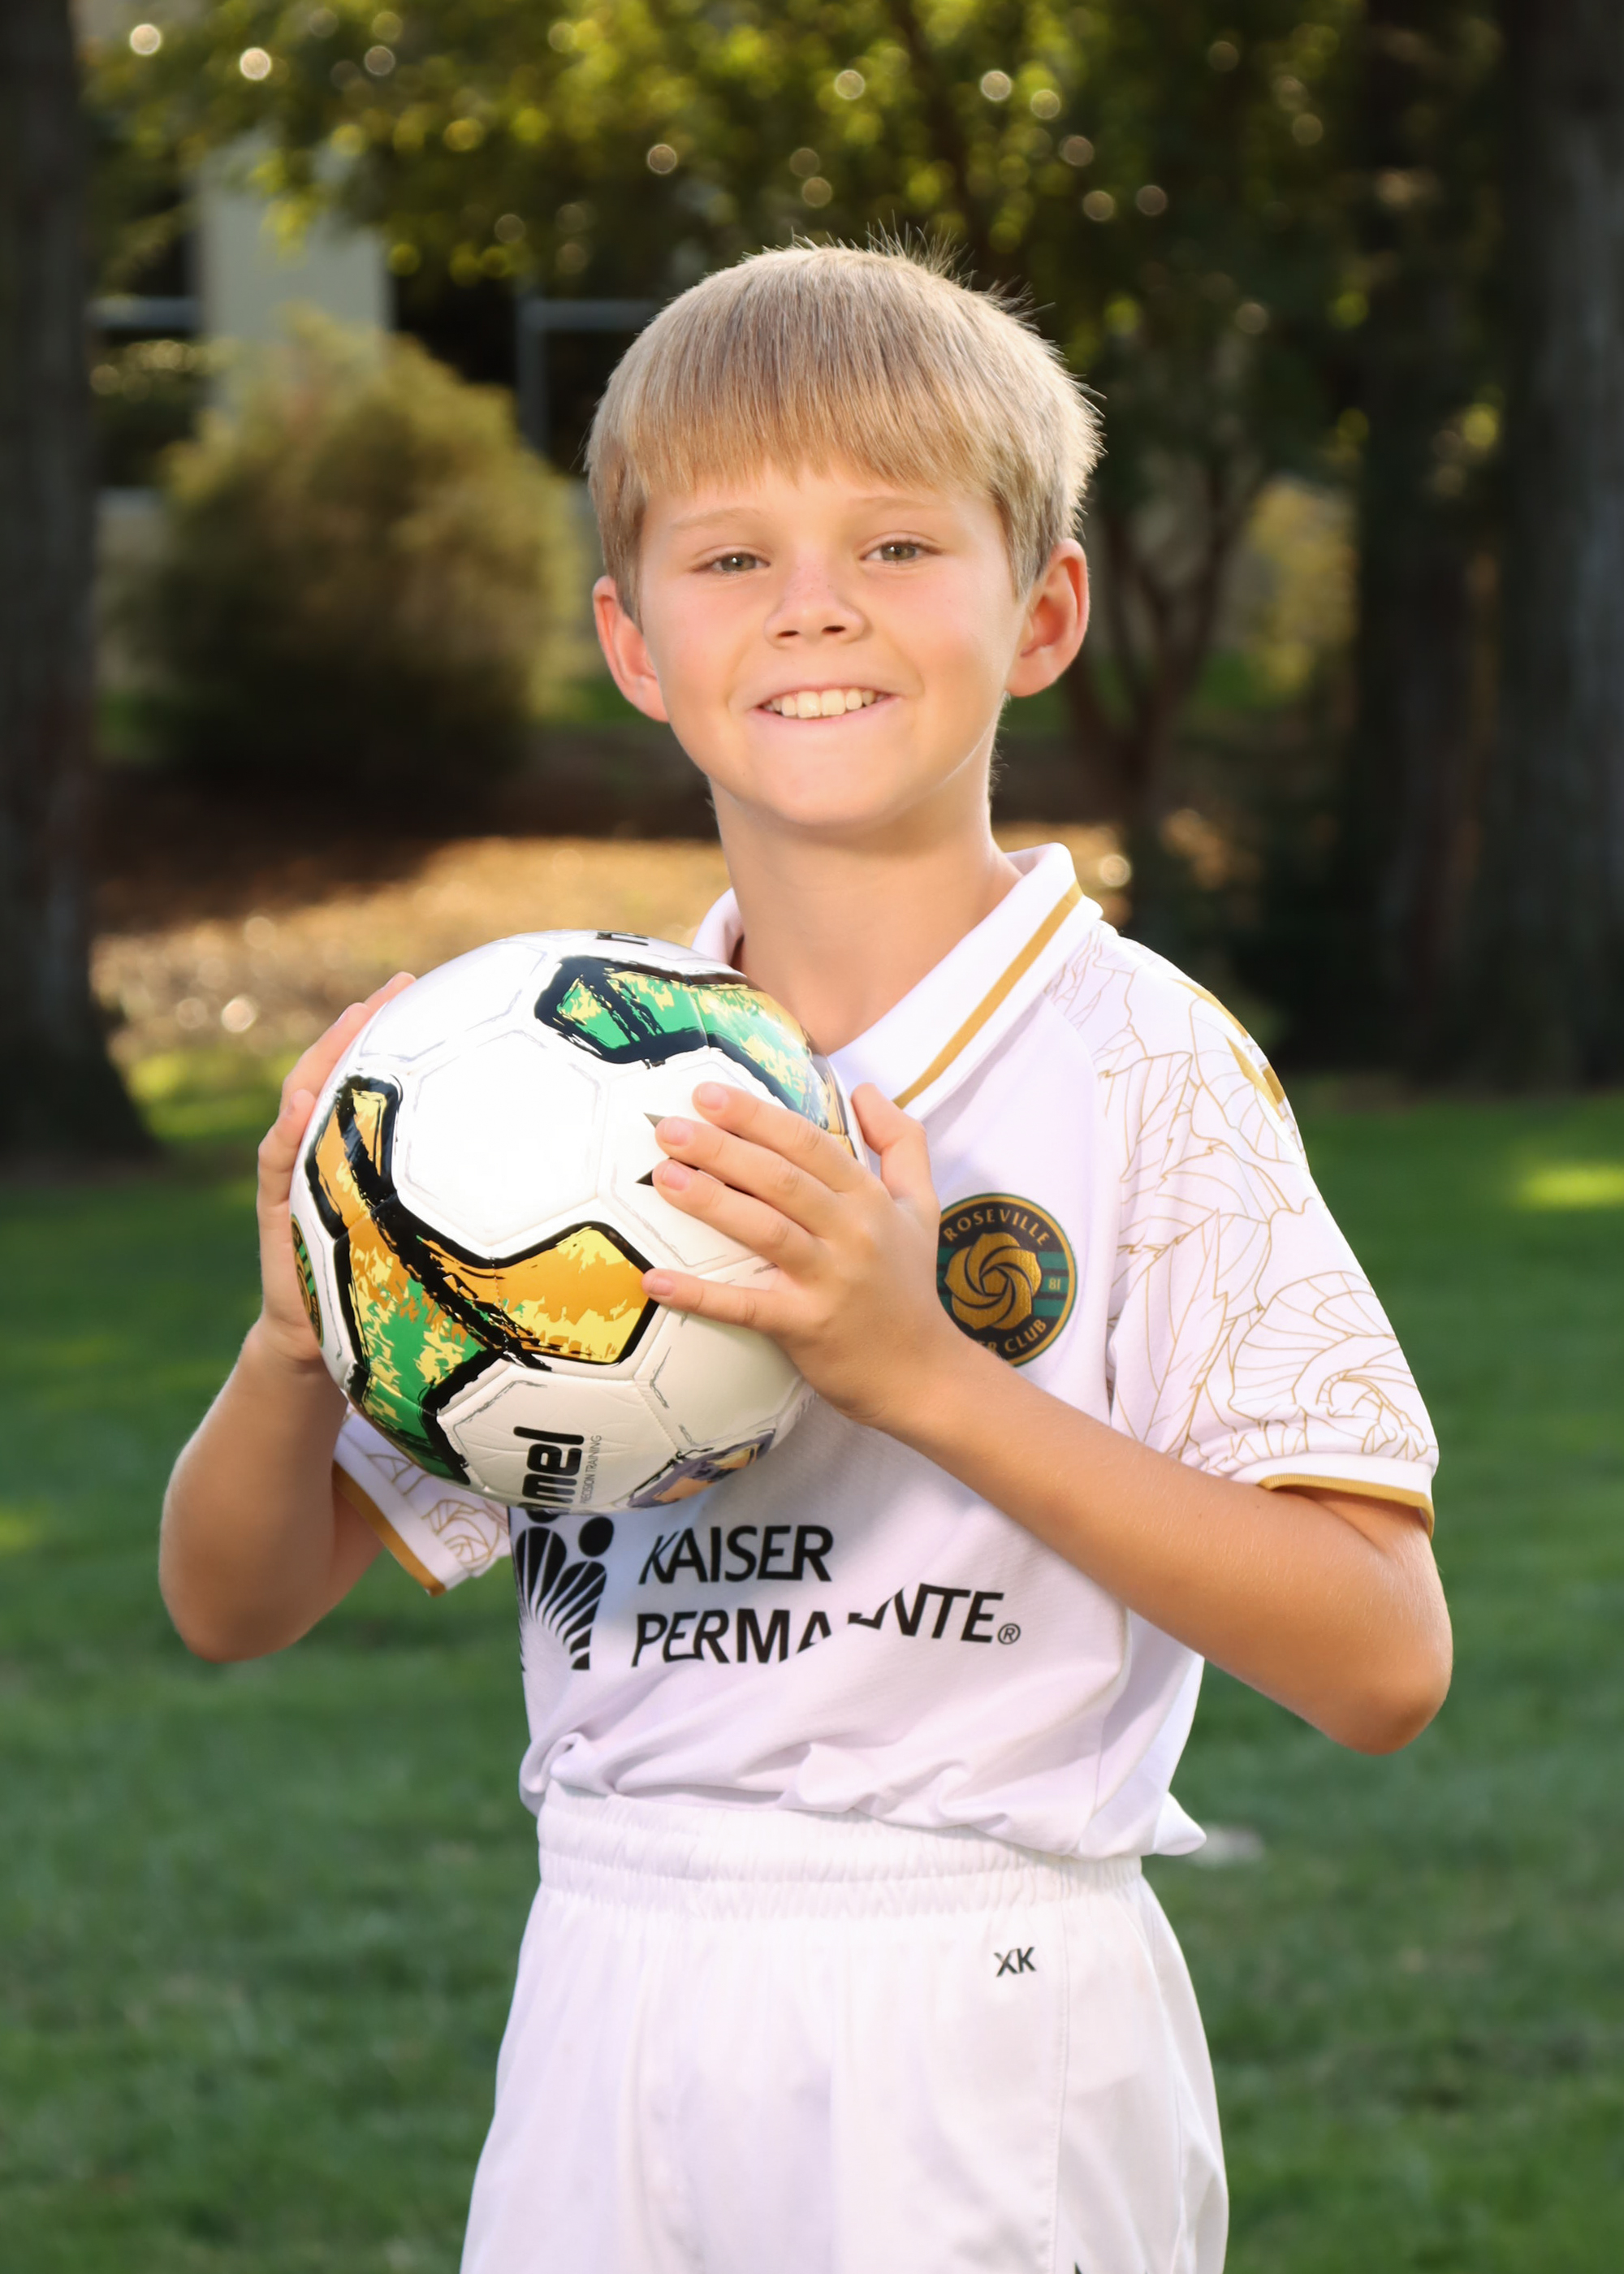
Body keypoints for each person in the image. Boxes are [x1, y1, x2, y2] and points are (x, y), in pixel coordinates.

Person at [162, 244, 1452, 2274]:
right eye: (732, 556)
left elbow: (1381, 1657)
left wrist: (923, 1371)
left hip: (973, 2003)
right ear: (631, 638)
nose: (814, 603)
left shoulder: (1142, 1065)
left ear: (1043, 613)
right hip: (602, 1974)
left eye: (895, 541)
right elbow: (232, 1600)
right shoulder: (543, 1094)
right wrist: (295, 1331)